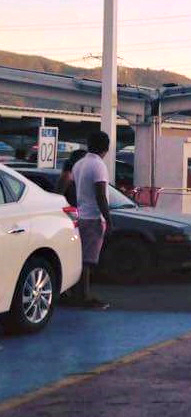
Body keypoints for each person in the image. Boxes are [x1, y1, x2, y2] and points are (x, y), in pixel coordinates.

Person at [65, 132, 112, 309]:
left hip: (81, 215)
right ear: (106, 148)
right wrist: (108, 219)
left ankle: (75, 294)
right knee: (88, 260)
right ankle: (84, 297)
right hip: (93, 217)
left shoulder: (79, 164)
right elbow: (101, 195)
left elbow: (74, 189)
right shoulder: (98, 165)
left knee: (80, 258)